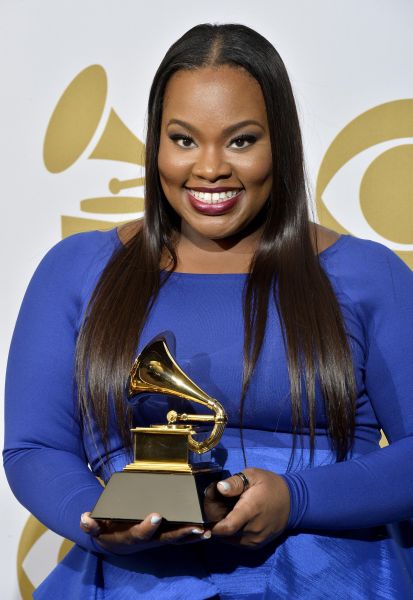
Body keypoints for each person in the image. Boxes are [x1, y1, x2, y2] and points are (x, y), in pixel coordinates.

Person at [4, 22, 413, 599]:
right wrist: (99, 523)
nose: (211, 168)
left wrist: (298, 499)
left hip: (333, 578)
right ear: (155, 143)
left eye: (241, 140)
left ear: (282, 143)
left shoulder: (368, 274)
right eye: (184, 139)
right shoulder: (75, 270)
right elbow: (35, 447)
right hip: (126, 584)